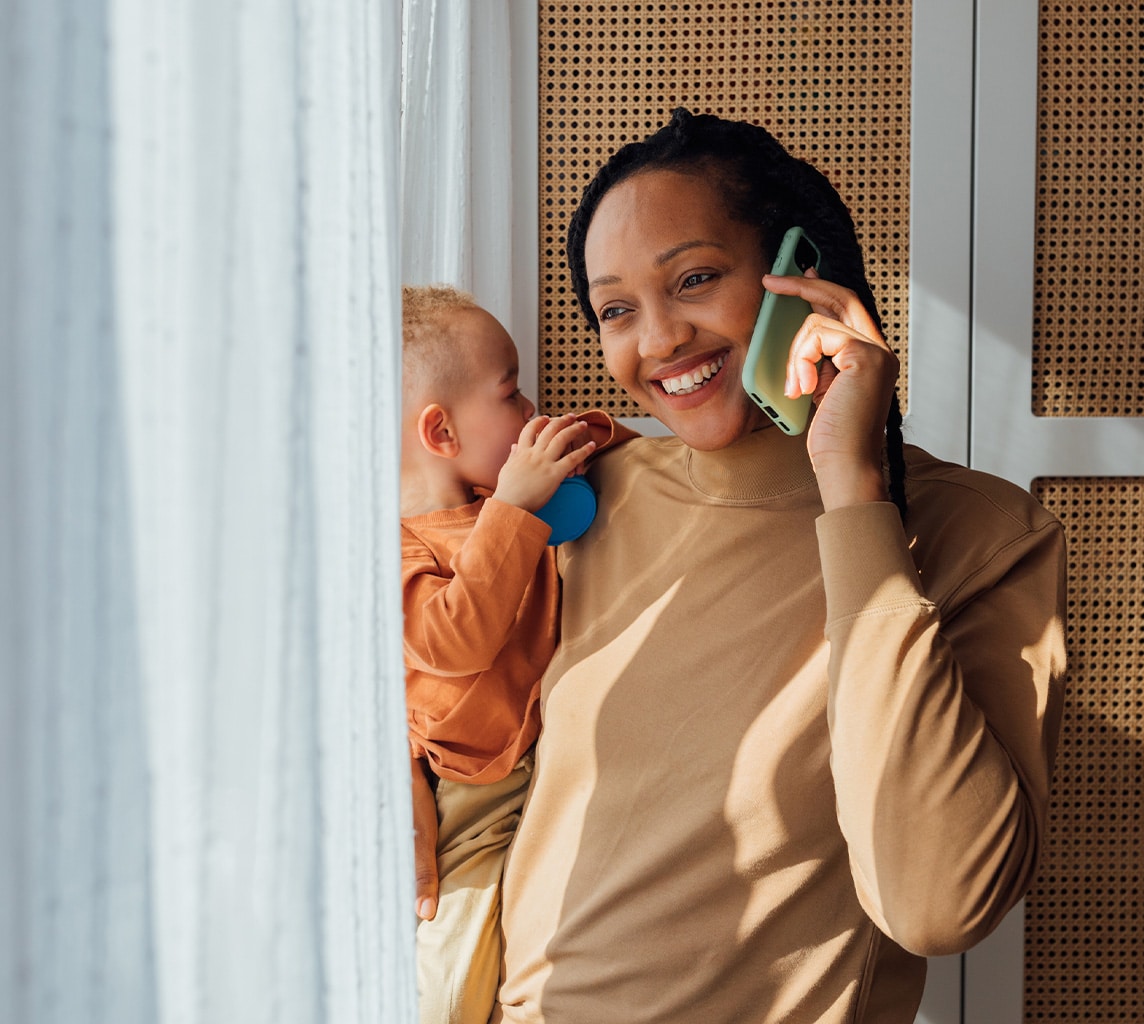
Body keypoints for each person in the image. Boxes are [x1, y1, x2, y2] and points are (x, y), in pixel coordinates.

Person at [411, 110, 1068, 1023]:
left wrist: (852, 485)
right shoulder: (581, 500)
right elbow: (442, 675)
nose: (660, 340)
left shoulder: (979, 533)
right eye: (616, 310)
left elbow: (941, 902)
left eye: (696, 278)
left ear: (805, 273)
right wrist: (402, 789)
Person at [400, 284, 636, 1024]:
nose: (532, 408)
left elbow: (618, 455)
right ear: (440, 432)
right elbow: (453, 639)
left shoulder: (504, 499)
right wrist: (511, 505)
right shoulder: (396, 545)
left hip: (555, 759)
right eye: (511, 393)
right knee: (455, 979)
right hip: (468, 785)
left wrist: (580, 437)